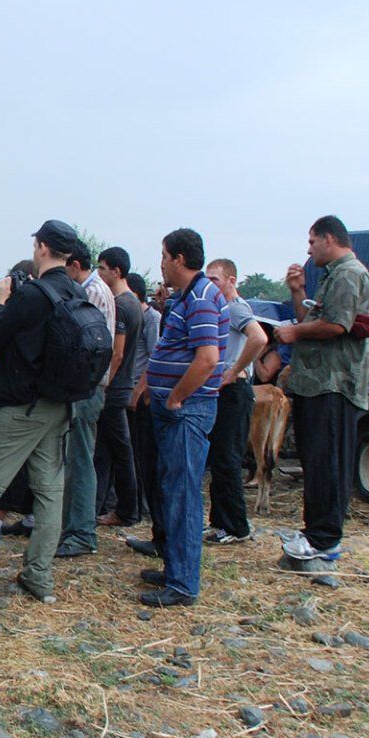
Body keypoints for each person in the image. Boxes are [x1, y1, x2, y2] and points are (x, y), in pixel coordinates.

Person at [0, 221, 86, 604]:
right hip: (61, 405)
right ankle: (39, 575)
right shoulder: (75, 291)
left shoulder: (34, 295)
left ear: (41, 247)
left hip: (22, 406)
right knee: (50, 492)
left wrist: (3, 302)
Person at [274, 216, 369, 570]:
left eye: (312, 241)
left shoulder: (349, 274)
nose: (308, 248)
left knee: (328, 463)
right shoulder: (334, 275)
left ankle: (325, 539)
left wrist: (295, 334)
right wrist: (298, 292)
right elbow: (319, 315)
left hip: (334, 385)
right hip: (317, 383)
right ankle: (314, 532)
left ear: (329, 238)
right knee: (316, 462)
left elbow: (336, 325)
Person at [136, 229, 226, 608]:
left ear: (178, 259)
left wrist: (175, 397)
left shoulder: (203, 298)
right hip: (175, 409)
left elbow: (207, 359)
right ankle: (175, 568)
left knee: (184, 495)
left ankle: (184, 583)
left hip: (187, 412)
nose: (160, 264)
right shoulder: (187, 298)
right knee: (171, 488)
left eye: (163, 256)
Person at [57, 244, 122, 558]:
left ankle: (81, 533)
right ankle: (72, 527)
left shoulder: (93, 292)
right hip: (85, 388)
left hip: (87, 388)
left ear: (75, 265)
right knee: (76, 459)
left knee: (81, 460)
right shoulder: (94, 289)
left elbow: (89, 347)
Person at [202, 258, 268, 545]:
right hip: (224, 391)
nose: (211, 284)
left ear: (231, 280)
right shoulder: (220, 307)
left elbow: (259, 338)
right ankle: (219, 522)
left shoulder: (236, 307)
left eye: (215, 279)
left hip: (236, 391)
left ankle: (237, 526)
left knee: (228, 460)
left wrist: (233, 370)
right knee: (219, 458)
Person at [94, 247, 141, 527]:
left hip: (115, 389)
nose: (99, 274)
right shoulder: (130, 302)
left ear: (116, 271)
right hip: (122, 386)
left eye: (102, 268)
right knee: (114, 451)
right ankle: (113, 506)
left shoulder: (122, 304)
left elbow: (118, 353)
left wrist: (103, 384)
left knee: (118, 451)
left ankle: (126, 510)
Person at [124, 272, 162, 549]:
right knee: (134, 454)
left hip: (143, 394)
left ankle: (145, 507)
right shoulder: (138, 316)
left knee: (143, 456)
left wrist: (139, 391)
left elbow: (154, 357)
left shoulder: (152, 319)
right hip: (131, 391)